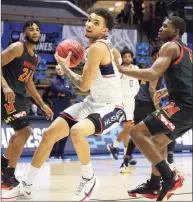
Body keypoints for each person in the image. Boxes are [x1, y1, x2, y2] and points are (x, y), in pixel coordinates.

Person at [2, 8, 126, 201]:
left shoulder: (96, 48)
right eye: (89, 20)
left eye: (96, 23)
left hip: (111, 106)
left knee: (77, 132)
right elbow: (115, 58)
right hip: (91, 102)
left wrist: (66, 69)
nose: (89, 24)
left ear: (105, 31)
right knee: (49, 134)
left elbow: (83, 85)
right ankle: (25, 186)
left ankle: (89, 178)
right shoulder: (95, 48)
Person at [119, 16, 192, 200]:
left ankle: (170, 177)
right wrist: (168, 89)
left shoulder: (170, 46)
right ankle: (153, 185)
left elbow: (152, 73)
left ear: (175, 32)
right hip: (188, 108)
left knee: (136, 132)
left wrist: (120, 68)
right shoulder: (188, 51)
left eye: (164, 26)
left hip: (183, 106)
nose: (160, 29)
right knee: (157, 142)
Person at [1, 20, 53, 189]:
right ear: (25, 33)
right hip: (6, 94)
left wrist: (42, 104)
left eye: (38, 30)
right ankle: (8, 175)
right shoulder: (18, 47)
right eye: (31, 29)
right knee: (25, 131)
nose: (35, 32)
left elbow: (29, 83)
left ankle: (3, 164)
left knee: (19, 134)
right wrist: (5, 86)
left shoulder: (35, 58)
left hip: (19, 96)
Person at [120, 45, 177, 173]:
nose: (159, 57)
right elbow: (152, 89)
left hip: (143, 102)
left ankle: (125, 163)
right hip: (146, 103)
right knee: (167, 129)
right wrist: (157, 108)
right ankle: (169, 162)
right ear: (153, 57)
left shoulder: (160, 68)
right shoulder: (156, 68)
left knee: (140, 132)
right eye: (157, 55)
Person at [107, 47, 139, 164]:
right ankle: (118, 149)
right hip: (123, 100)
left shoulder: (136, 68)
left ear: (132, 58)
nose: (127, 58)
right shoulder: (118, 70)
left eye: (129, 56)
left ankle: (122, 152)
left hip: (134, 100)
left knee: (129, 129)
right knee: (128, 128)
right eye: (125, 56)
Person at [49, 64, 76, 159]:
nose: (60, 70)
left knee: (66, 131)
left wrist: (65, 92)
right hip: (57, 110)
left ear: (64, 70)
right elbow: (59, 89)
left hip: (67, 110)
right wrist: (67, 91)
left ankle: (61, 153)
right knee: (55, 131)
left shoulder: (68, 81)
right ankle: (53, 154)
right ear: (55, 71)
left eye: (61, 69)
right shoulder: (54, 82)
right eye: (58, 69)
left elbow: (74, 94)